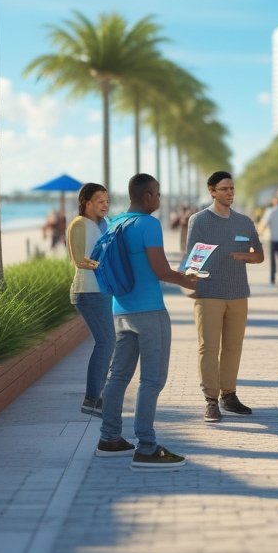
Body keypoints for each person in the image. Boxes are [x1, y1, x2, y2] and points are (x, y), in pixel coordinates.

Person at [95, 174, 198, 469]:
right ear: (149, 196)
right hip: (149, 311)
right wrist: (189, 280)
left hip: (120, 310)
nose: (160, 200)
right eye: (158, 194)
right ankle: (147, 447)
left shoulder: (115, 223)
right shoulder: (148, 225)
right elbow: (161, 270)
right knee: (152, 379)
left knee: (118, 377)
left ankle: (110, 438)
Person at [185, 171, 264, 423]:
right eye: (224, 189)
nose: (230, 193)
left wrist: (245, 256)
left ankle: (228, 395)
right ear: (212, 191)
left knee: (233, 347)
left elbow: (259, 254)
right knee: (208, 348)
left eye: (232, 189)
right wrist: (191, 280)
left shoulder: (244, 222)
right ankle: (210, 400)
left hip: (238, 293)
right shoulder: (198, 221)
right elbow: (191, 259)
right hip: (208, 293)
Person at [67, 183, 113, 417]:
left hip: (102, 290)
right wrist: (106, 266)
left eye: (107, 201)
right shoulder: (79, 224)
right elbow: (78, 260)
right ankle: (91, 399)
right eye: (100, 201)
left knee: (108, 342)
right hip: (87, 292)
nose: (105, 205)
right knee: (106, 342)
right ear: (87, 203)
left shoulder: (104, 224)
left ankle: (97, 397)